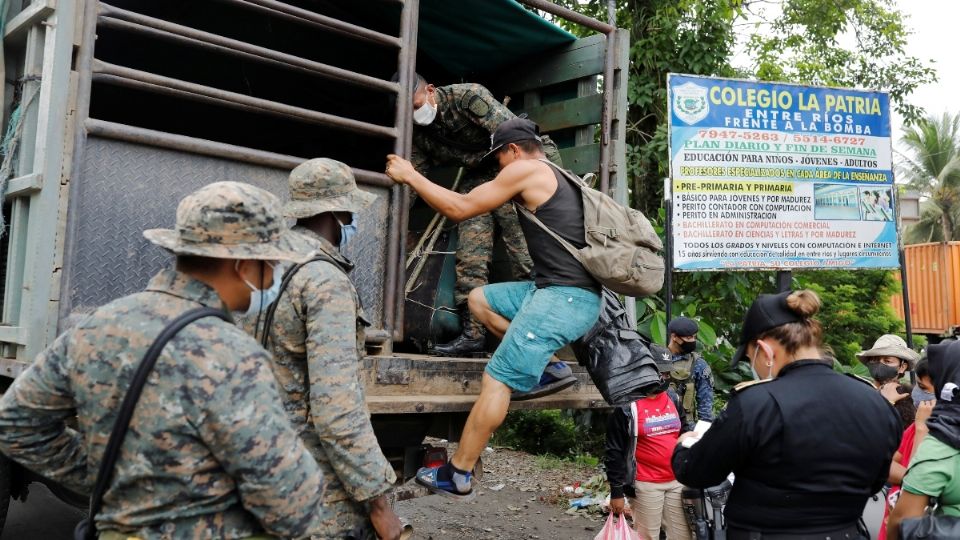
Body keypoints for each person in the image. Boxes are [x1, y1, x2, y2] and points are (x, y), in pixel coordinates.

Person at [0, 182, 327, 539]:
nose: (277, 275)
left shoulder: (99, 324)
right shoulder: (233, 355)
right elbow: (292, 503)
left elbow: (16, 423)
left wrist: (109, 476)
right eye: (274, 263)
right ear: (243, 264)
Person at [385, 117, 602, 498]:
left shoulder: (526, 169)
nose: (499, 168)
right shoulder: (556, 173)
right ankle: (549, 366)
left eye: (498, 158)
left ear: (514, 150)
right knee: (479, 299)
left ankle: (458, 474)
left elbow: (461, 207)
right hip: (551, 290)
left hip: (564, 299)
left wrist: (410, 175)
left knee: (496, 378)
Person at [245, 159, 401, 540]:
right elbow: (337, 410)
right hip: (310, 484)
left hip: (252, 464)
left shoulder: (258, 266)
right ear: (337, 212)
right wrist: (379, 504)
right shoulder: (323, 280)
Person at [672, 289, 901, 539]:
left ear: (764, 350)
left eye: (750, 358)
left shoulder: (756, 405)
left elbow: (697, 473)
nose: (753, 366)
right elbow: (877, 479)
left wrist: (685, 446)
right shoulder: (876, 403)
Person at [407, 73, 564, 357]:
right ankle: (473, 335)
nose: (415, 114)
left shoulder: (468, 97)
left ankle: (539, 336)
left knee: (525, 257)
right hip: (479, 181)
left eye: (416, 105)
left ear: (430, 90)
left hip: (512, 171)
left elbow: (516, 143)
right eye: (408, 111)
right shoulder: (420, 134)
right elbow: (413, 178)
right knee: (470, 257)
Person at [888, 341, 960, 539]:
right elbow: (888, 463)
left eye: (925, 387)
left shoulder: (942, 444)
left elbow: (901, 524)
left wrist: (922, 429)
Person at [606, 388, 693, 539]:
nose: (662, 377)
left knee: (683, 536)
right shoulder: (627, 406)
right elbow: (614, 451)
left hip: (676, 480)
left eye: (665, 374)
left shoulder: (672, 397)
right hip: (646, 484)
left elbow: (684, 430)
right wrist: (616, 491)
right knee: (647, 536)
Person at [878, 396, 935, 540]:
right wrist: (909, 477)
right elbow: (883, 463)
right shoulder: (915, 426)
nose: (923, 401)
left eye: (925, 388)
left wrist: (922, 430)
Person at [858, 334, 920, 429]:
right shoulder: (859, 392)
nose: (879, 364)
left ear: (902, 367)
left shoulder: (911, 397)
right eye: (875, 360)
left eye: (887, 361)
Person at [661, 317, 714, 429]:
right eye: (689, 338)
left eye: (694, 337)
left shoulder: (698, 364)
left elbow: (705, 405)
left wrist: (702, 432)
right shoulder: (657, 358)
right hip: (658, 424)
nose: (692, 341)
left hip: (686, 426)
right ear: (674, 337)